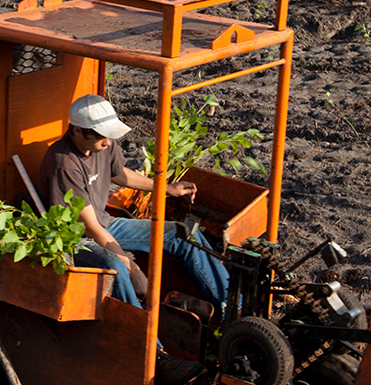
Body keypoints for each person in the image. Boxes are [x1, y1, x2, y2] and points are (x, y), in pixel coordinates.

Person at [39, 94, 231, 310]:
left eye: (110, 135)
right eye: (102, 136)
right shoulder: (63, 162)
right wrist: (132, 268)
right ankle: (144, 337)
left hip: (105, 223)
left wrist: (165, 188)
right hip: (74, 238)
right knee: (115, 266)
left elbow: (119, 174)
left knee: (184, 236)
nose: (108, 141)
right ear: (76, 130)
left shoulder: (103, 144)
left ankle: (231, 309)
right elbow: (89, 227)